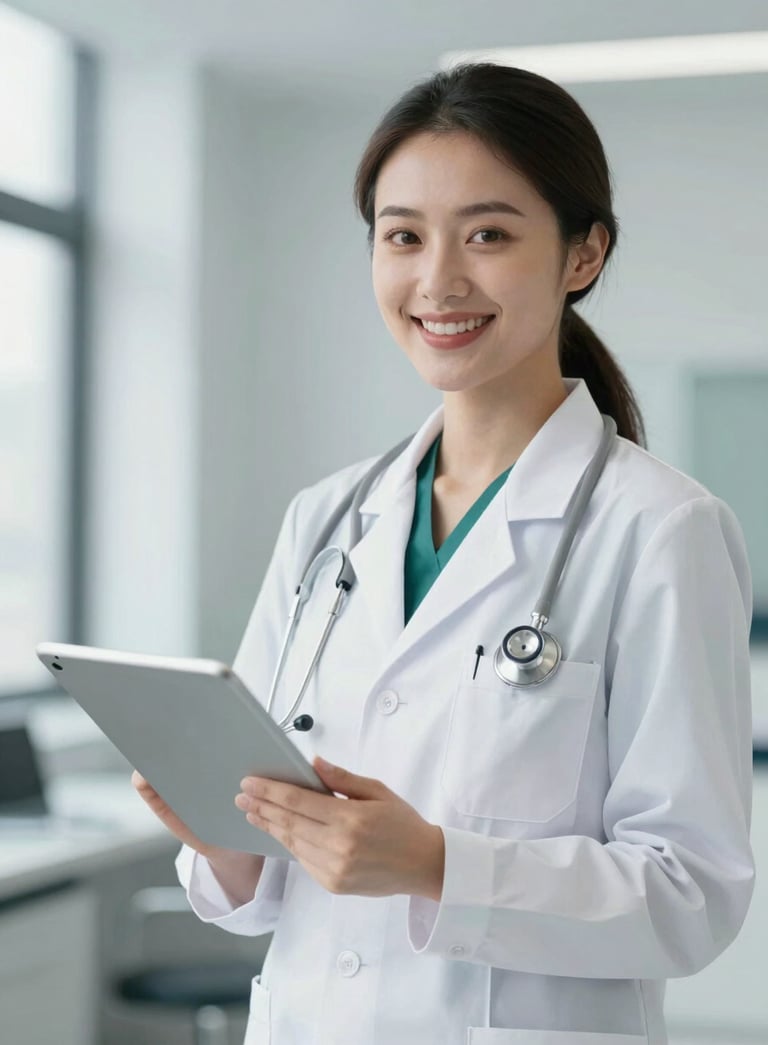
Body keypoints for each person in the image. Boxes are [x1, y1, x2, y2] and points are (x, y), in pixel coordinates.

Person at [134, 63, 755, 1045]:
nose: (438, 281)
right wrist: (227, 835)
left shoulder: (661, 530)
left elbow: (693, 893)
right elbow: (258, 886)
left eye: (489, 234)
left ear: (583, 253)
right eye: (404, 236)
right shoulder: (326, 520)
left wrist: (436, 864)